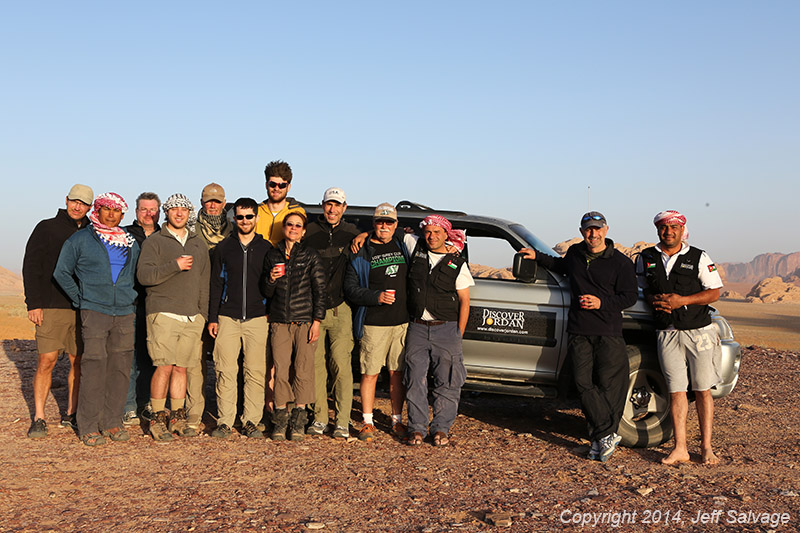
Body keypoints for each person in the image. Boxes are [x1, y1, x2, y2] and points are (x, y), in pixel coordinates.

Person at [520, 211, 637, 462]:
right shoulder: (574, 253)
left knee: (609, 387)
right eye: (588, 229)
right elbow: (559, 266)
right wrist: (536, 256)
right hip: (579, 330)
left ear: (606, 230)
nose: (592, 234)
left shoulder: (620, 262)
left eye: (597, 229)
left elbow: (629, 297)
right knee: (583, 384)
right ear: (582, 231)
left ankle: (600, 439)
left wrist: (601, 302)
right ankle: (607, 434)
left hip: (608, 332)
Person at [636, 210, 724, 465]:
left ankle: (707, 448)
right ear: (658, 230)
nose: (669, 231)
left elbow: (715, 292)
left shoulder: (698, 256)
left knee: (702, 390)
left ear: (682, 229)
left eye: (674, 227)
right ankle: (680, 448)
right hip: (667, 333)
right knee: (676, 391)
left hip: (699, 333)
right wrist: (654, 300)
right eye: (664, 227)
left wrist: (682, 301)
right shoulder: (647, 257)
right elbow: (643, 289)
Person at [53, 193, 139, 446]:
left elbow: (134, 274)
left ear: (123, 215)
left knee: (121, 368)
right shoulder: (81, 239)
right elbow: (62, 272)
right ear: (98, 211)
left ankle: (112, 422)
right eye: (106, 209)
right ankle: (89, 425)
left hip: (124, 311)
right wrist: (81, 299)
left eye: (117, 211)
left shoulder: (131, 241)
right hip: (94, 310)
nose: (111, 214)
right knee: (94, 365)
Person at [137, 194, 210, 442]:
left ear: (190, 213)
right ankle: (157, 418)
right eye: (174, 210)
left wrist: (203, 315)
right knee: (164, 366)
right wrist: (174, 266)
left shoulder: (198, 243)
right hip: (163, 313)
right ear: (166, 213)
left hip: (192, 317)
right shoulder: (156, 242)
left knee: (182, 368)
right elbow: (144, 276)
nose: (179, 214)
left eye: (184, 210)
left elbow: (204, 282)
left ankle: (176, 417)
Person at [22, 184, 93, 438]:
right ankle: (39, 417)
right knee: (47, 360)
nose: (78, 207)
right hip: (51, 306)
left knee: (78, 361)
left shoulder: (92, 232)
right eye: (74, 201)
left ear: (89, 207)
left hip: (82, 307)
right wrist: (34, 303)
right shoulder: (46, 228)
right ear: (66, 200)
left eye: (83, 204)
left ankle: (71, 414)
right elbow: (31, 265)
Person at [344, 203, 412, 442]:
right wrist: (376, 297)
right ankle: (367, 421)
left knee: (396, 373)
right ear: (373, 224)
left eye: (389, 222)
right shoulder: (360, 252)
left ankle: (396, 421)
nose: (384, 226)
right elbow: (350, 289)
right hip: (373, 322)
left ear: (396, 225)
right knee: (370, 372)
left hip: (401, 323)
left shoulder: (404, 245)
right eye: (379, 222)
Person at [404, 214, 474, 447]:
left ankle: (441, 429)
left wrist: (458, 333)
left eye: (437, 232)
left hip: (447, 329)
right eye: (428, 232)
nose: (431, 236)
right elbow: (387, 232)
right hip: (417, 328)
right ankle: (416, 428)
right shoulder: (415, 250)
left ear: (446, 234)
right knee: (415, 379)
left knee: (448, 382)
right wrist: (364, 233)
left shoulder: (457, 262)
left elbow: (465, 301)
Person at [207, 198, 272, 439]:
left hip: (257, 317)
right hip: (227, 317)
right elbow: (216, 283)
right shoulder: (224, 248)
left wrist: (269, 312)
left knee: (255, 371)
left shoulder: (267, 249)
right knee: (225, 370)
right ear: (234, 219)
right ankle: (224, 421)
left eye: (249, 217)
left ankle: (251, 421)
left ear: (256, 218)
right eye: (240, 217)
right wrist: (213, 317)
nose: (245, 221)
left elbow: (271, 285)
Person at [260, 212, 326, 441]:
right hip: (279, 321)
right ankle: (280, 419)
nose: (293, 228)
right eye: (290, 224)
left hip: (304, 320)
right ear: (284, 228)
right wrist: (271, 278)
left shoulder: (310, 256)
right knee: (280, 369)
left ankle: (298, 419)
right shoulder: (272, 255)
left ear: (304, 231)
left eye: (298, 225)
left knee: (303, 369)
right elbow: (266, 292)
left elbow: (320, 290)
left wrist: (316, 322)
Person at [303, 187, 359, 439]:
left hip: (341, 309)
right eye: (328, 204)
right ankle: (319, 419)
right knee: (316, 366)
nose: (332, 209)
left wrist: (366, 233)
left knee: (341, 364)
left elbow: (381, 237)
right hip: (313, 309)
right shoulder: (310, 232)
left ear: (344, 208)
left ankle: (343, 421)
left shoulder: (352, 233)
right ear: (322, 206)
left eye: (337, 205)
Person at [186, 182, 234, 432]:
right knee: (195, 362)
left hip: (227, 305)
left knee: (226, 362)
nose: (213, 205)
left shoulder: (236, 230)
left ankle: (228, 415)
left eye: (217, 201)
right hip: (196, 303)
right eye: (208, 201)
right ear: (202, 202)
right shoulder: (189, 230)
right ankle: (194, 414)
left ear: (225, 203)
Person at [122, 192, 161, 425]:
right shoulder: (125, 235)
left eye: (153, 209)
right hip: (130, 304)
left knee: (150, 355)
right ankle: (128, 406)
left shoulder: (164, 236)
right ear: (136, 212)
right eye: (144, 209)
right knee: (129, 356)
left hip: (156, 304)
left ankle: (146, 402)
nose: (148, 213)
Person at [255, 160, 305, 245]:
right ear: (266, 185)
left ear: (288, 187)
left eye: (281, 185)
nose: (276, 189)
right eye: (272, 184)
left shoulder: (298, 213)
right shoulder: (255, 211)